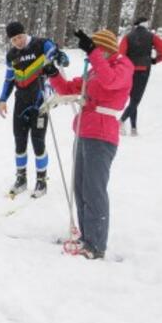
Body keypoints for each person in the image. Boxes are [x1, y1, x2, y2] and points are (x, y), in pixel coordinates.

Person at [44, 29, 133, 259]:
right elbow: (69, 89)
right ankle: (86, 236)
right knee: (81, 187)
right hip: (84, 131)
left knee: (94, 191)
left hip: (102, 135)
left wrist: (93, 52)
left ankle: (96, 244)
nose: (95, 53)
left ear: (107, 48)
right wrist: (54, 75)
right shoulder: (94, 70)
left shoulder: (123, 66)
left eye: (97, 48)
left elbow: (111, 81)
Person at [0, 21, 66, 198]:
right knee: (19, 142)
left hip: (40, 102)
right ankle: (21, 179)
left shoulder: (40, 44)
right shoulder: (11, 55)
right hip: (20, 102)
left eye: (19, 37)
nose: (18, 42)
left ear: (24, 33)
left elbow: (55, 53)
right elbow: (9, 79)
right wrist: (2, 99)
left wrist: (60, 56)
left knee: (38, 143)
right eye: (13, 40)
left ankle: (41, 181)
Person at [118, 17, 162, 136]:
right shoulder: (151, 36)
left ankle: (133, 128)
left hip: (129, 70)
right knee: (136, 99)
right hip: (144, 69)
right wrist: (155, 60)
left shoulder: (128, 37)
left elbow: (120, 54)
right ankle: (121, 121)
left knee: (133, 98)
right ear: (146, 24)